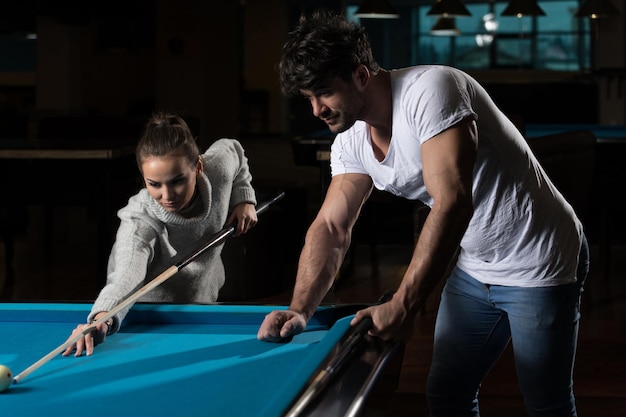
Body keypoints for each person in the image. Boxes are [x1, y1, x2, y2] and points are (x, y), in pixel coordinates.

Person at [256, 10, 589, 417]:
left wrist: (404, 304)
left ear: (360, 75)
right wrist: (300, 308)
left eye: (323, 92)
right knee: (447, 394)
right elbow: (331, 225)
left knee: (545, 403)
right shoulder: (351, 138)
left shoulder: (431, 89)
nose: (316, 110)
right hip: (473, 267)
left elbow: (452, 201)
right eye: (307, 98)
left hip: (539, 257)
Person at [63, 112, 257, 357]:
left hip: (205, 302)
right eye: (154, 184)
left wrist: (244, 198)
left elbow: (234, 150)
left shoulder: (216, 169)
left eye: (177, 181)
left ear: (198, 167)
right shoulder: (138, 220)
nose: (167, 195)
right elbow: (126, 275)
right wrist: (102, 319)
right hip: (149, 316)